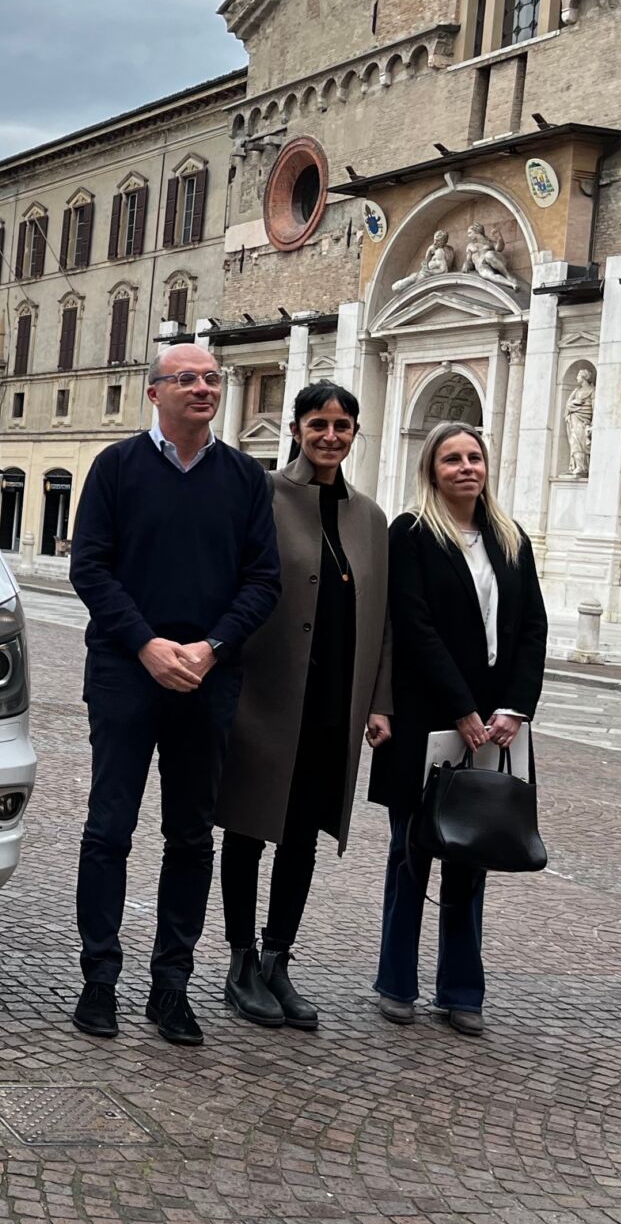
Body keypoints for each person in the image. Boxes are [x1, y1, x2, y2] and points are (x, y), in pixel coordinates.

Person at [68, 342, 281, 1046]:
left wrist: (211, 648)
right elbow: (90, 568)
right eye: (187, 378)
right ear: (154, 392)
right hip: (126, 673)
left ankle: (171, 987)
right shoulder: (116, 467)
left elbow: (264, 581)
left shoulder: (245, 478)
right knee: (109, 830)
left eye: (212, 378)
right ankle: (100, 979)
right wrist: (146, 645)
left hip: (207, 679)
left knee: (190, 837)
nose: (203, 388)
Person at [216, 383, 392, 1031]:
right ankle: (240, 962)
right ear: (296, 430)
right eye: (319, 423)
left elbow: (385, 621)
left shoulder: (370, 519)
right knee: (247, 828)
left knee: (302, 838)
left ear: (355, 434)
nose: (330, 436)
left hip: (332, 708)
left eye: (342, 426)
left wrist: (380, 702)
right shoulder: (261, 495)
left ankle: (277, 961)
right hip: (262, 698)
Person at [369, 421, 546, 1037]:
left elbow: (533, 628)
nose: (467, 467)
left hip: (497, 725)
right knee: (411, 853)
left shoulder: (511, 538)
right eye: (452, 459)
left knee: (476, 850)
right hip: (427, 718)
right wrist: (461, 706)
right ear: (431, 469)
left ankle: (462, 990)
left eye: (475, 457)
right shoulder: (411, 533)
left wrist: (515, 706)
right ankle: (396, 982)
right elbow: (413, 627)